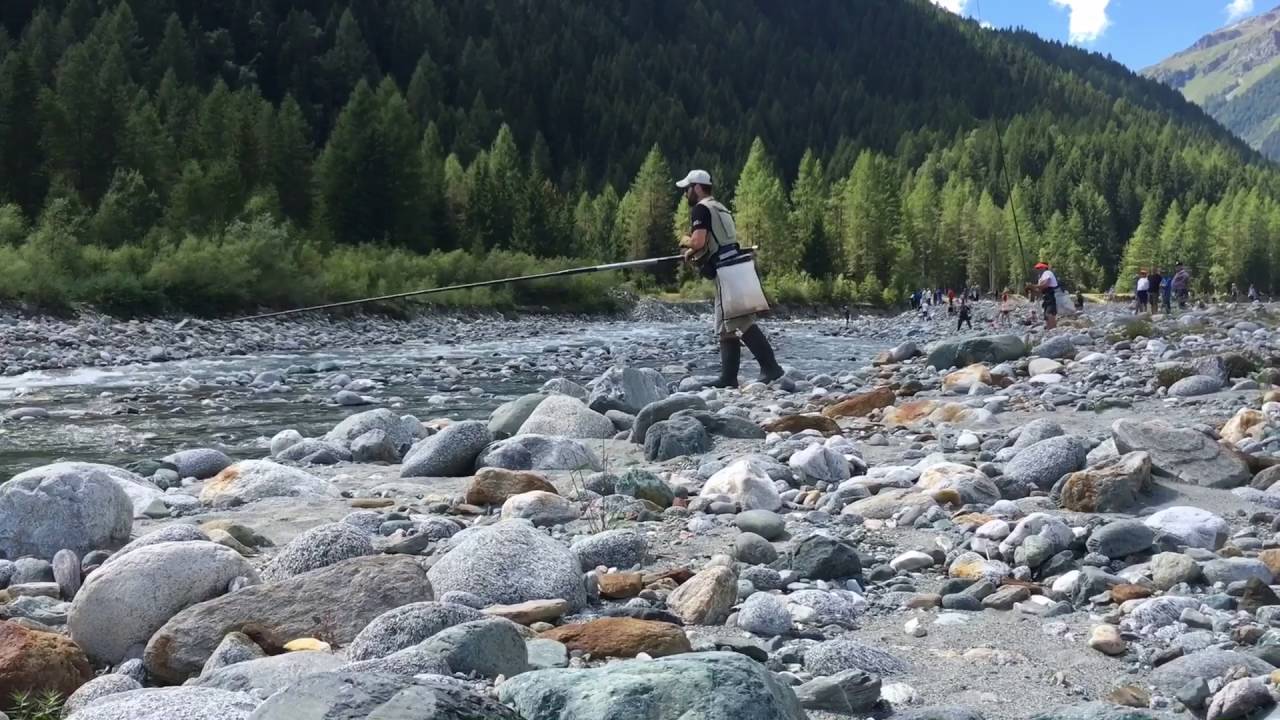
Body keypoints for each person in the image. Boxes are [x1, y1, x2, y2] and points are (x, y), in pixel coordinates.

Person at [676, 169, 783, 387]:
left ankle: (771, 368)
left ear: (697, 187)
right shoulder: (720, 207)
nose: (685, 193)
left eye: (687, 188)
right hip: (735, 266)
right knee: (725, 325)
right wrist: (694, 252)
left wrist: (686, 242)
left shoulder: (701, 209)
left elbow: (698, 241)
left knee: (740, 320)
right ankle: (728, 378)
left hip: (725, 271)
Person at [1034, 262, 1059, 330]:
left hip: (1050, 293)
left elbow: (1046, 284)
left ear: (1044, 267)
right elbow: (1040, 289)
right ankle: (1049, 328)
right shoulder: (1042, 276)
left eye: (1039, 268)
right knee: (1046, 313)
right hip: (1045, 295)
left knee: (1050, 312)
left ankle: (1053, 328)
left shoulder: (1047, 272)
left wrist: (1034, 286)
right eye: (1038, 268)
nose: (1038, 270)